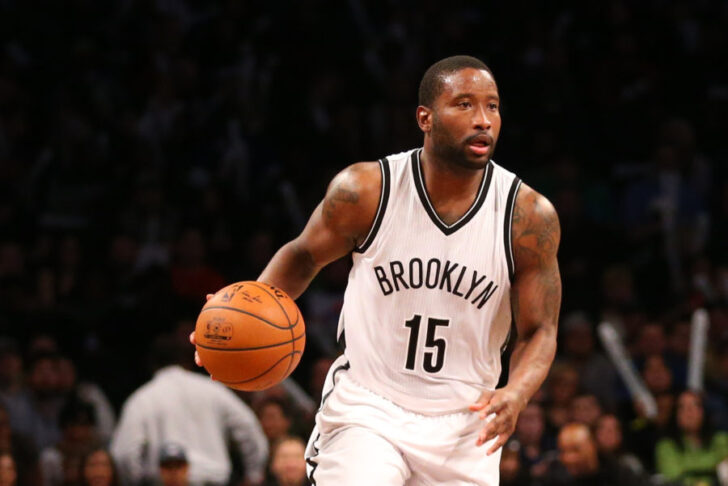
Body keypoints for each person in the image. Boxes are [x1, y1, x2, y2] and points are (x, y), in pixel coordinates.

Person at [191, 54, 562, 485]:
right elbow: (305, 255)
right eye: (464, 105)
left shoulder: (528, 217)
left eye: (492, 106)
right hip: (369, 407)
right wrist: (241, 318)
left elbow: (540, 330)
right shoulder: (367, 190)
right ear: (425, 117)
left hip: (466, 423)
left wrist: (516, 394)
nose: (483, 120)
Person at [111, 335, 268, 486]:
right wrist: (253, 476)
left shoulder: (142, 399)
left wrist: (135, 481)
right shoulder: (213, 390)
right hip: (212, 479)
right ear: (187, 361)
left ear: (152, 364)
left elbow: (124, 453)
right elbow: (248, 426)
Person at [655, 390, 728, 485]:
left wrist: (689, 471)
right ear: (675, 414)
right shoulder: (665, 446)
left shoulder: (721, 439)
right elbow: (673, 477)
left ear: (704, 411)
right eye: (682, 407)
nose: (689, 411)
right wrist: (714, 470)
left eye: (695, 405)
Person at [545, 422, 651, 486]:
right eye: (563, 451)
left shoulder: (618, 471)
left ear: (592, 446)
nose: (569, 458)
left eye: (575, 450)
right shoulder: (556, 478)